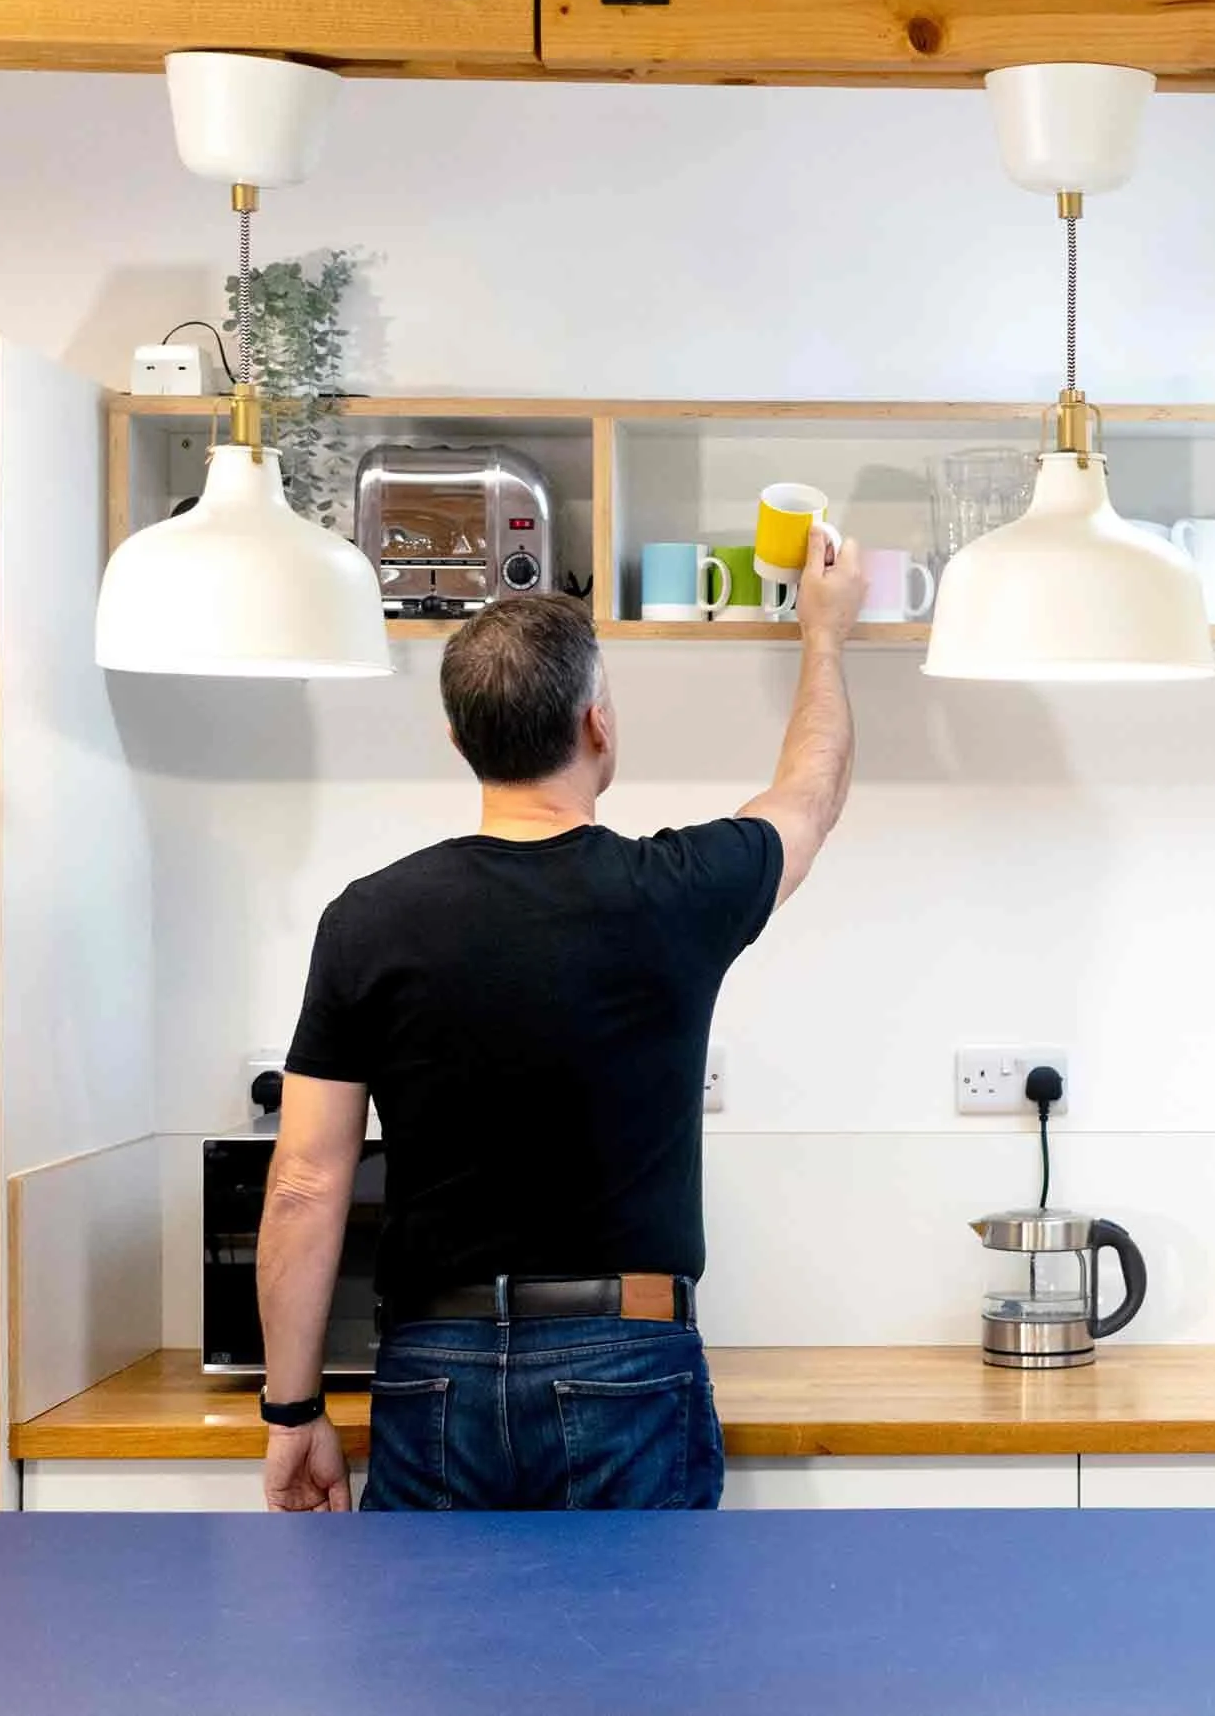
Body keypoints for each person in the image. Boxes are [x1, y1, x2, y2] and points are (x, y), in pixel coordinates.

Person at [254, 531, 865, 1511]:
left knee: (431, 1664)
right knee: (631, 1663)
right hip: (627, 1358)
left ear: (459, 741)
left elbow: (303, 1183)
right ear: (598, 725)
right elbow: (810, 796)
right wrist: (824, 637)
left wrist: (291, 1413)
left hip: (429, 1367)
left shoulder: (367, 917)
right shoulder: (678, 891)